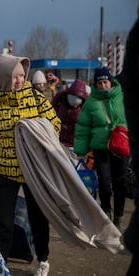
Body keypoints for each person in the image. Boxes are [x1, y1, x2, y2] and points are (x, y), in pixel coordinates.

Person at [0, 54, 61, 276]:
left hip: (33, 169)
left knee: (38, 218)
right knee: (3, 222)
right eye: (14, 76)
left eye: (22, 76)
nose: (19, 80)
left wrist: (35, 131)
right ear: (3, 77)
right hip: (3, 170)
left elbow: (55, 125)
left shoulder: (36, 99)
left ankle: (43, 259)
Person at [74, 67, 129, 228]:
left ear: (111, 82)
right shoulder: (91, 103)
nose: (103, 86)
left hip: (120, 147)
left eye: (105, 82)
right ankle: (106, 211)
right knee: (104, 182)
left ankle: (118, 215)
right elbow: (83, 128)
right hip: (100, 148)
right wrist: (81, 152)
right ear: (95, 84)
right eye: (100, 83)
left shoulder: (122, 97)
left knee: (121, 182)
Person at [120, 15, 139, 276]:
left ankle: (114, 216)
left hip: (120, 148)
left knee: (114, 181)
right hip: (105, 148)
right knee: (106, 181)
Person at [52, 79, 89, 148]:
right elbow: (51, 112)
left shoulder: (85, 108)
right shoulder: (60, 99)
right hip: (57, 140)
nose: (74, 105)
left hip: (74, 142)